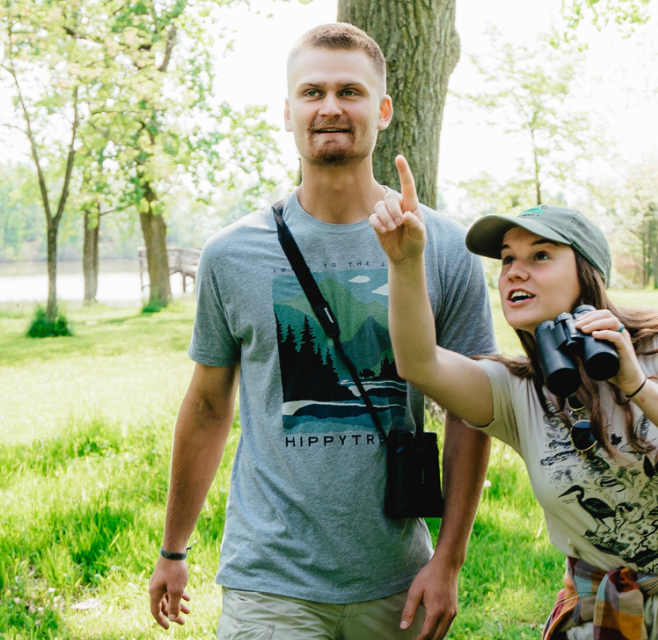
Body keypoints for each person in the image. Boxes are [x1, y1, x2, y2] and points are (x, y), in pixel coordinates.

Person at [146, 23, 496, 640]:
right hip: (268, 580)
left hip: (397, 578)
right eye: (312, 92)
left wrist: (449, 560)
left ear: (382, 110)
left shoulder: (443, 246)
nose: (330, 107)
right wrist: (174, 550)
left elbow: (473, 411)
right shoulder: (231, 254)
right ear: (288, 112)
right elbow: (207, 405)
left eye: (349, 92)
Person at [367, 179, 658, 640]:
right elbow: (419, 363)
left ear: (587, 273)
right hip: (600, 612)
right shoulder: (516, 390)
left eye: (540, 256)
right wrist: (406, 262)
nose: (514, 272)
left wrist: (636, 385)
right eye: (508, 259)